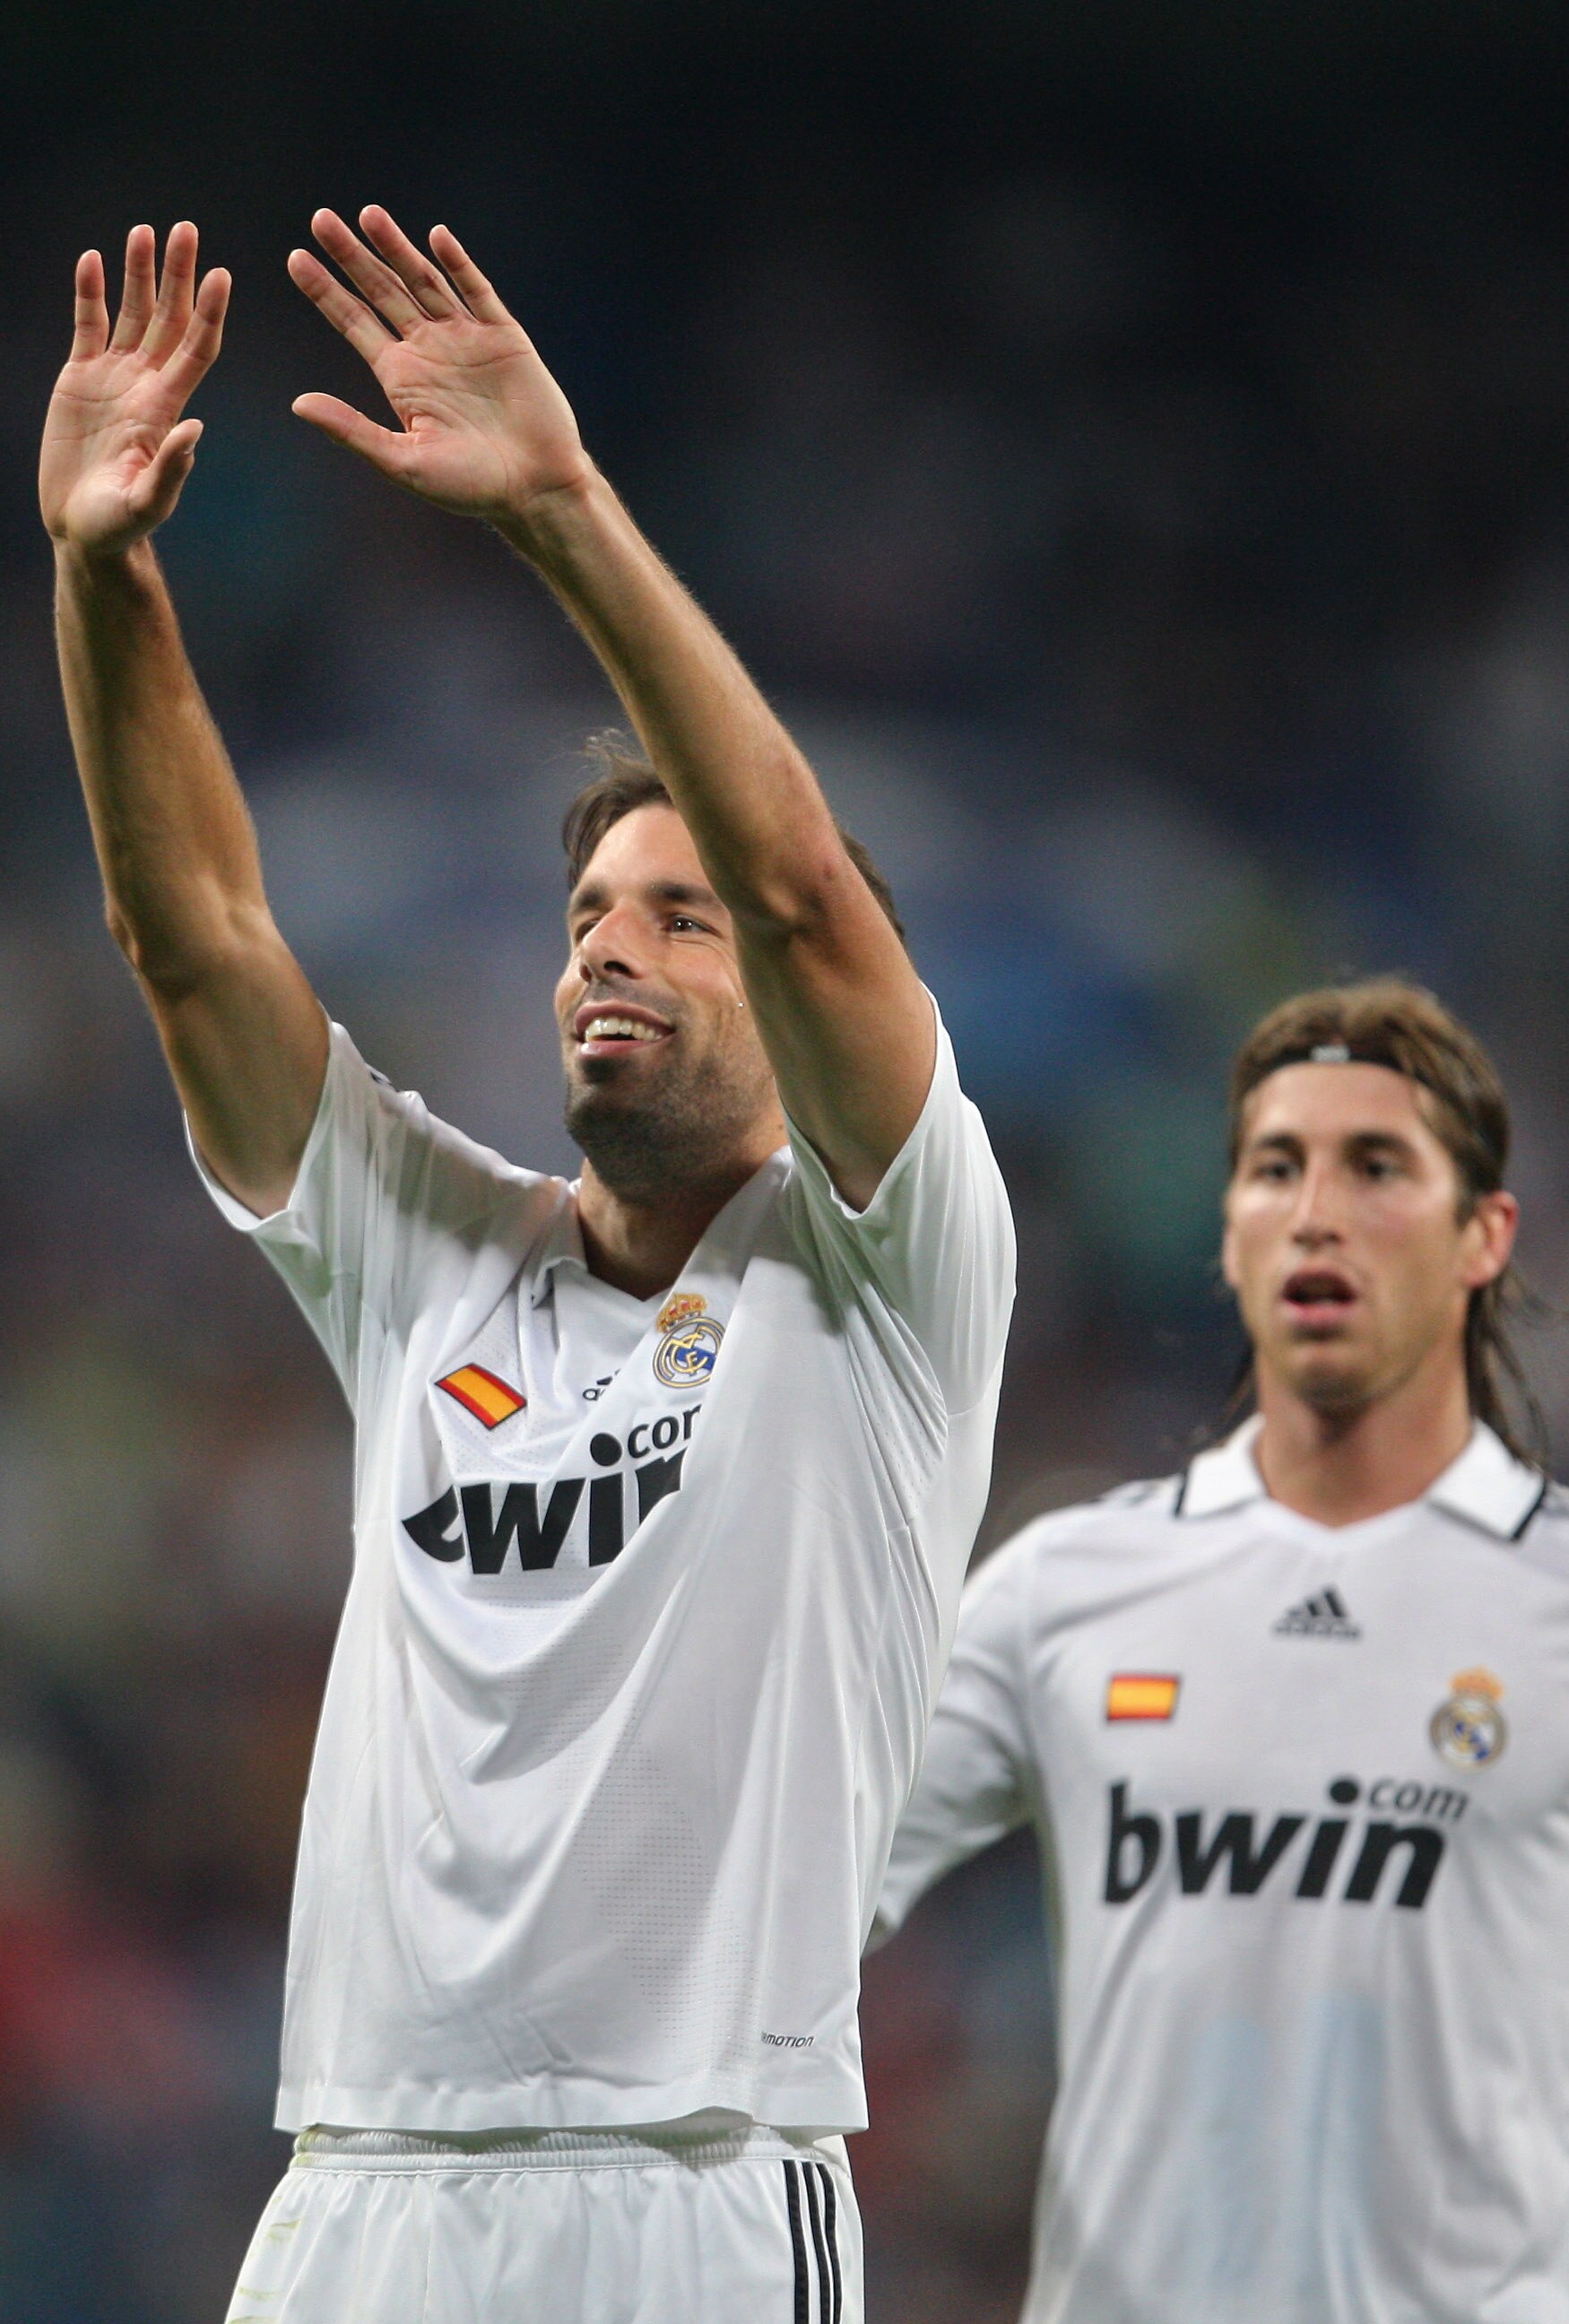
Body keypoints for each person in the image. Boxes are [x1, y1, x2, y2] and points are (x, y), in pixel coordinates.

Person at [40, 209, 1015, 2323]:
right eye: (589, 912)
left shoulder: (892, 1272)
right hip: (356, 2188)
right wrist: (102, 571)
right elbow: (195, 936)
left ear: (781, 981)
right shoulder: (429, 1263)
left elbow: (806, 878)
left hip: (692, 2187)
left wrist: (564, 508)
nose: (611, 945)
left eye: (679, 920)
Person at [872, 980, 1569, 2324]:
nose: (1316, 1210)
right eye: (1276, 1169)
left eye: (1375, 1166)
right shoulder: (1064, 1587)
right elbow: (800, 1889)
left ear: (1482, 1237)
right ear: (1229, 1238)